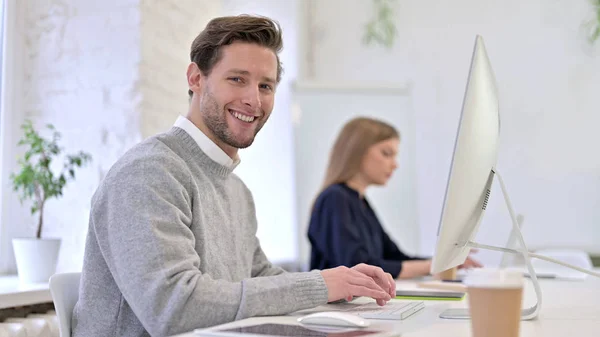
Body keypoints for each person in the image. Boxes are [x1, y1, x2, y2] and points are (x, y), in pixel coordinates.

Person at [72, 15, 397, 337]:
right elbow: (174, 307)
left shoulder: (236, 189)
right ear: (196, 79)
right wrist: (318, 287)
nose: (253, 100)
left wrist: (342, 289)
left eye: (265, 86)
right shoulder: (147, 173)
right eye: (237, 79)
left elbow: (258, 276)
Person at [308, 117, 482, 279]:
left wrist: (443, 261)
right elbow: (359, 267)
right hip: (335, 309)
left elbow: (394, 257)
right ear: (356, 152)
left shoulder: (360, 202)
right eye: (386, 153)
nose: (395, 164)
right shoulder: (335, 199)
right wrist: (433, 266)